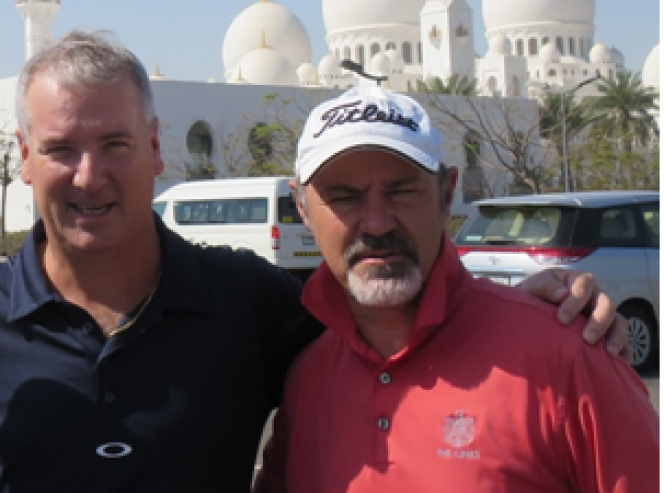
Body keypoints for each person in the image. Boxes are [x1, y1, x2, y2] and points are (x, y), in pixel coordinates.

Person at [0, 30, 633, 492]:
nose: (89, 175)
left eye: (115, 144)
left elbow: (388, 316)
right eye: (61, 148)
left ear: (156, 149)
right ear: (23, 157)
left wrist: (520, 310)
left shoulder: (246, 304)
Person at [252, 85, 659, 492]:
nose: (377, 223)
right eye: (345, 198)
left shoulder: (567, 355)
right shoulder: (309, 378)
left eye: (402, 190)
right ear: (302, 209)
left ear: (446, 195)